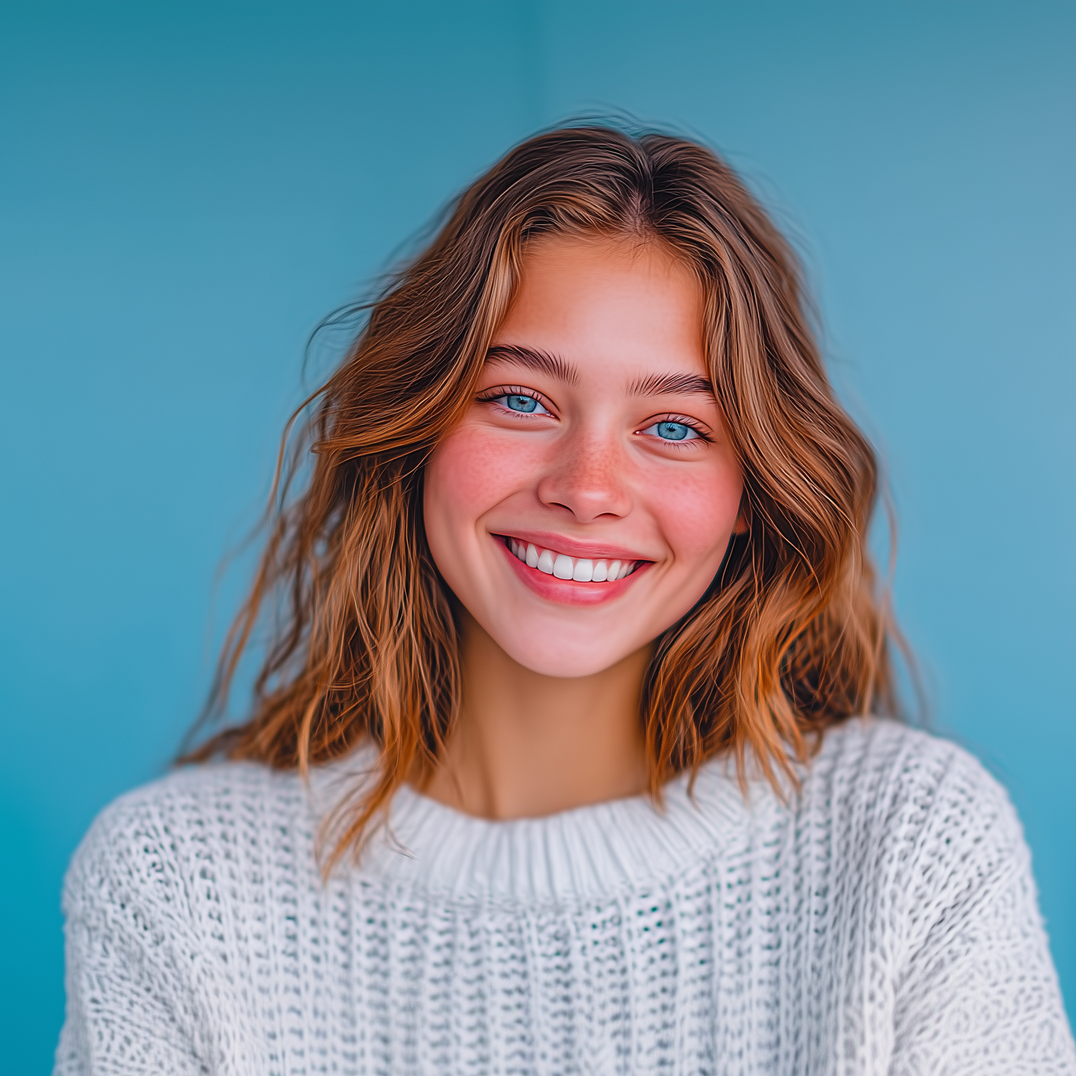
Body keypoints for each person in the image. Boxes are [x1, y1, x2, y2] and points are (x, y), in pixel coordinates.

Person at [54, 126, 1074, 1075]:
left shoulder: (909, 845)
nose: (585, 487)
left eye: (673, 426)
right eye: (519, 399)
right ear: (414, 432)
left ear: (751, 494)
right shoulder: (175, 884)